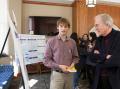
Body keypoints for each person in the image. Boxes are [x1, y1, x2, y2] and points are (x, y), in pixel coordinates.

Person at [44, 18, 79, 89]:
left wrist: (73, 64)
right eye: (61, 26)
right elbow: (46, 60)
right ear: (57, 27)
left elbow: (76, 57)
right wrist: (59, 66)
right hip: (57, 75)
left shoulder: (72, 42)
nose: (63, 28)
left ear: (68, 28)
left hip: (70, 75)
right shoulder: (51, 41)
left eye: (66, 26)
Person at [89, 13, 120, 89]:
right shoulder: (99, 39)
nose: (95, 28)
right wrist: (106, 56)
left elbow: (116, 60)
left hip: (115, 81)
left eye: (97, 25)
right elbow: (91, 57)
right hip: (99, 80)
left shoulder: (118, 36)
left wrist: (99, 56)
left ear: (107, 24)